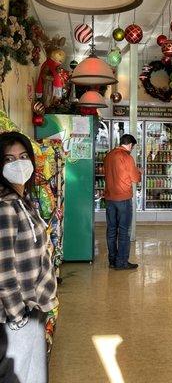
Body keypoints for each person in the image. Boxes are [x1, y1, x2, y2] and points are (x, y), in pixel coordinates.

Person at [0, 131, 58, 383]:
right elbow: (3, 269)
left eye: (23, 156)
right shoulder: (5, 208)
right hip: (19, 313)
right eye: (9, 159)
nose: (19, 164)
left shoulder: (23, 201)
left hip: (33, 306)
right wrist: (18, 317)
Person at [104, 134, 142, 270]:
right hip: (123, 199)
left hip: (109, 199)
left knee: (111, 230)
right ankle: (122, 262)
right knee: (124, 231)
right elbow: (135, 178)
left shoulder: (108, 155)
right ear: (130, 145)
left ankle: (112, 261)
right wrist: (139, 172)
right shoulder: (127, 157)